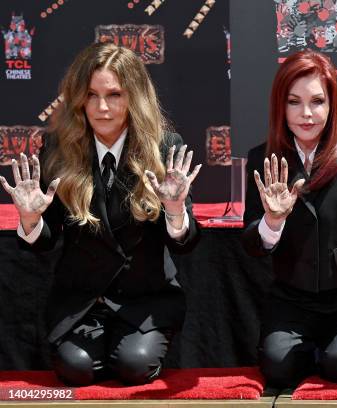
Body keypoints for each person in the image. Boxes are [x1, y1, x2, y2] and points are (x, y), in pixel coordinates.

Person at [0, 42, 201, 386]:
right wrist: (31, 220)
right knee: (75, 370)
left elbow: (185, 244)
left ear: (134, 97)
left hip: (144, 301)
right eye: (91, 95)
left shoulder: (165, 147)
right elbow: (44, 242)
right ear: (79, 98)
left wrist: (174, 208)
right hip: (82, 303)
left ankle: (127, 349)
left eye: (114, 94)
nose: (102, 107)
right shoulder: (59, 149)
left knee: (133, 366)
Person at [241, 49, 337, 388]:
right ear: (280, 106)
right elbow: (253, 245)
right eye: (294, 102)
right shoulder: (262, 159)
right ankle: (314, 351)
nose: (306, 114)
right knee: (277, 368)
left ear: (333, 105)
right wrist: (272, 220)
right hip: (292, 299)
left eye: (317, 102)